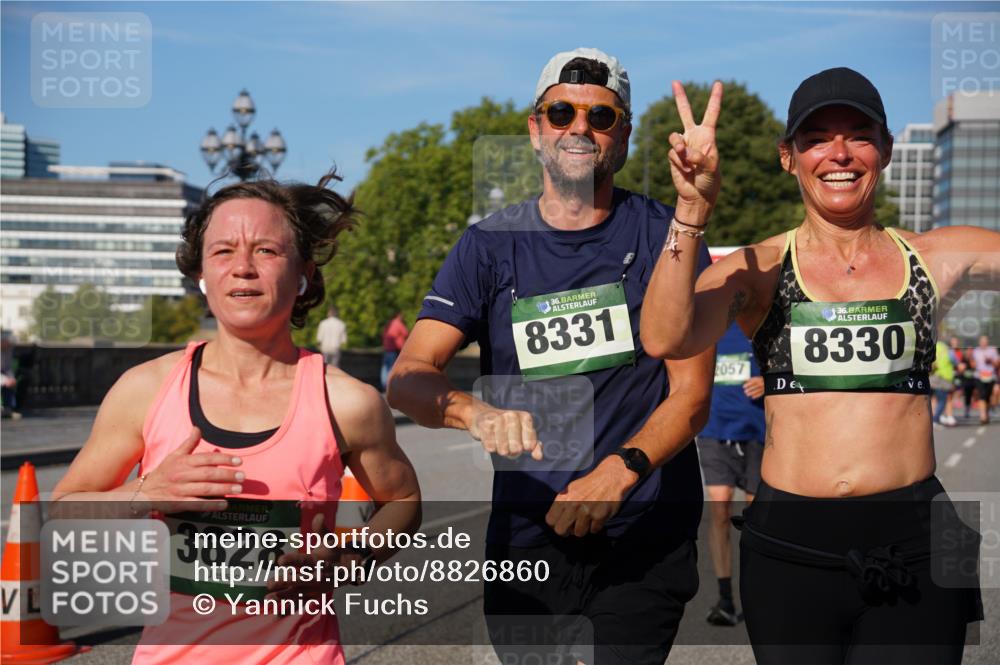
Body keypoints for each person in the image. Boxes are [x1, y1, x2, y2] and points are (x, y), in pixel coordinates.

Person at [640, 67, 993, 664]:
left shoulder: (935, 257)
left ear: (882, 150)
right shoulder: (756, 268)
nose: (838, 153)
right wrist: (692, 208)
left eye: (858, 134)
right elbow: (663, 336)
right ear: (788, 157)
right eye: (816, 138)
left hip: (915, 542)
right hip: (790, 549)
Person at [387, 48, 714, 665]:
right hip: (528, 533)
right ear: (536, 129)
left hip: (641, 528)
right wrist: (472, 412)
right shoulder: (486, 246)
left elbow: (691, 396)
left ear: (625, 133)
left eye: (601, 116)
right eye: (560, 112)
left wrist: (619, 470)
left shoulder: (669, 236)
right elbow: (408, 378)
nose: (579, 128)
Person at [51, 172, 421, 665]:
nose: (243, 267)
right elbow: (63, 514)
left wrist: (353, 555)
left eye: (266, 251)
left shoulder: (348, 403)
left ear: (304, 272)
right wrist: (145, 493)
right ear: (201, 274)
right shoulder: (145, 390)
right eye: (223, 251)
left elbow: (402, 500)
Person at [697, 322, 765, 626]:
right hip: (715, 431)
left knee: (755, 520)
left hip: (757, 431)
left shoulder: (760, 324)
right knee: (719, 507)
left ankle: (757, 596)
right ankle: (725, 598)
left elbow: (791, 365)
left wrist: (767, 380)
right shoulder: (708, 325)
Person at [970, 335, 998, 424]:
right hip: (979, 376)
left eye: (985, 341)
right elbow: (972, 364)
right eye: (982, 341)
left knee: (988, 397)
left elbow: (997, 364)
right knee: (982, 395)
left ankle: (987, 413)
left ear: (987, 342)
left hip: (990, 376)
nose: (983, 343)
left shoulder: (992, 350)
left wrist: (991, 361)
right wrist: (972, 363)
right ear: (979, 342)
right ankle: (983, 417)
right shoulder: (976, 351)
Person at [931, 338, 957, 426]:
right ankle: (935, 419)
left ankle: (933, 418)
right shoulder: (947, 350)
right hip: (944, 378)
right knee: (943, 400)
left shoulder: (934, 347)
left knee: (934, 399)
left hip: (933, 377)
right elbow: (955, 361)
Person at [380, 311, 408, 391]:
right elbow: (405, 333)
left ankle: (384, 386)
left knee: (385, 368)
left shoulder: (389, 324)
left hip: (387, 349)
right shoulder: (398, 324)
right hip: (394, 349)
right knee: (392, 368)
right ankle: (390, 386)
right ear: (399, 315)